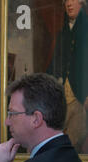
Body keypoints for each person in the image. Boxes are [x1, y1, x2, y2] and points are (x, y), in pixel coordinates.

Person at [47, 0, 88, 152]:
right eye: (66, 1)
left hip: (80, 98)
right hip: (61, 99)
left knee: (73, 144)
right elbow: (54, 65)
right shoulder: (62, 33)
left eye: (73, 0)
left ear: (82, 3)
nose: (69, 4)